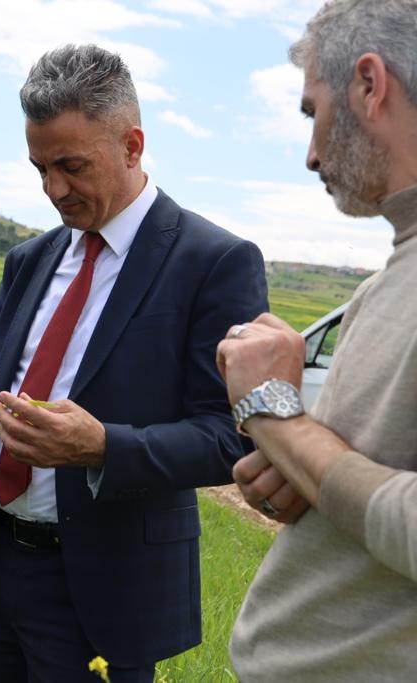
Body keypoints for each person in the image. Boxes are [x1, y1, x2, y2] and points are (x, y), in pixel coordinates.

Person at [0, 44, 267, 681]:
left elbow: (227, 438)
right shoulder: (29, 261)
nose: (53, 189)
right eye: (40, 168)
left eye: (71, 166)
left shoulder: (214, 263)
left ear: (132, 144)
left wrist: (101, 447)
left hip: (107, 590)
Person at [218, 1, 417, 680]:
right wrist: (293, 467)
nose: (310, 154)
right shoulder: (388, 280)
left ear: (369, 83)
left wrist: (269, 409)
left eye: (313, 111)